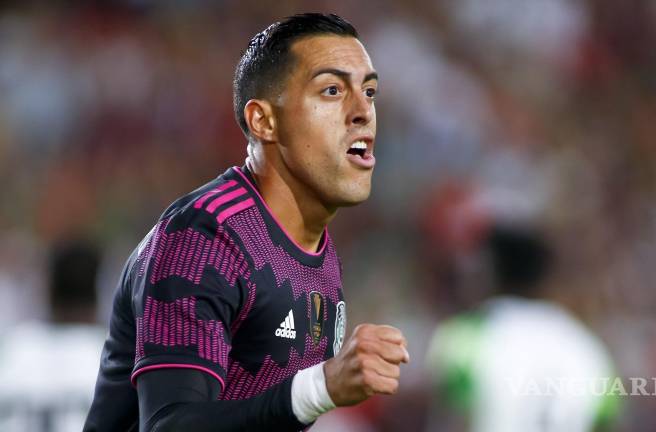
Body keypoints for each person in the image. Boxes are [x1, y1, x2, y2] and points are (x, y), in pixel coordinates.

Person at [85, 13, 409, 431]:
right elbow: (168, 425)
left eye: (369, 92)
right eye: (332, 90)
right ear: (264, 121)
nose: (363, 111)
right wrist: (320, 388)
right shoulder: (203, 237)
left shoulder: (321, 257)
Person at [428, 224, 619, 432]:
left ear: (490, 272)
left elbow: (452, 418)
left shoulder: (466, 337)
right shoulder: (587, 347)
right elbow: (606, 418)